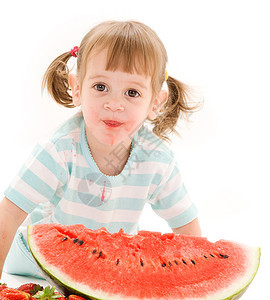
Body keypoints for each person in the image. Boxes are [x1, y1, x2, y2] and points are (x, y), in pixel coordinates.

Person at [0, 20, 201, 279]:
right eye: (101, 87)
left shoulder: (157, 159)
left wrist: (198, 279)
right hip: (33, 262)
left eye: (132, 92)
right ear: (77, 88)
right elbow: (9, 212)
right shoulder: (59, 151)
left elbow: (186, 225)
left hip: (108, 267)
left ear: (155, 102)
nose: (114, 104)